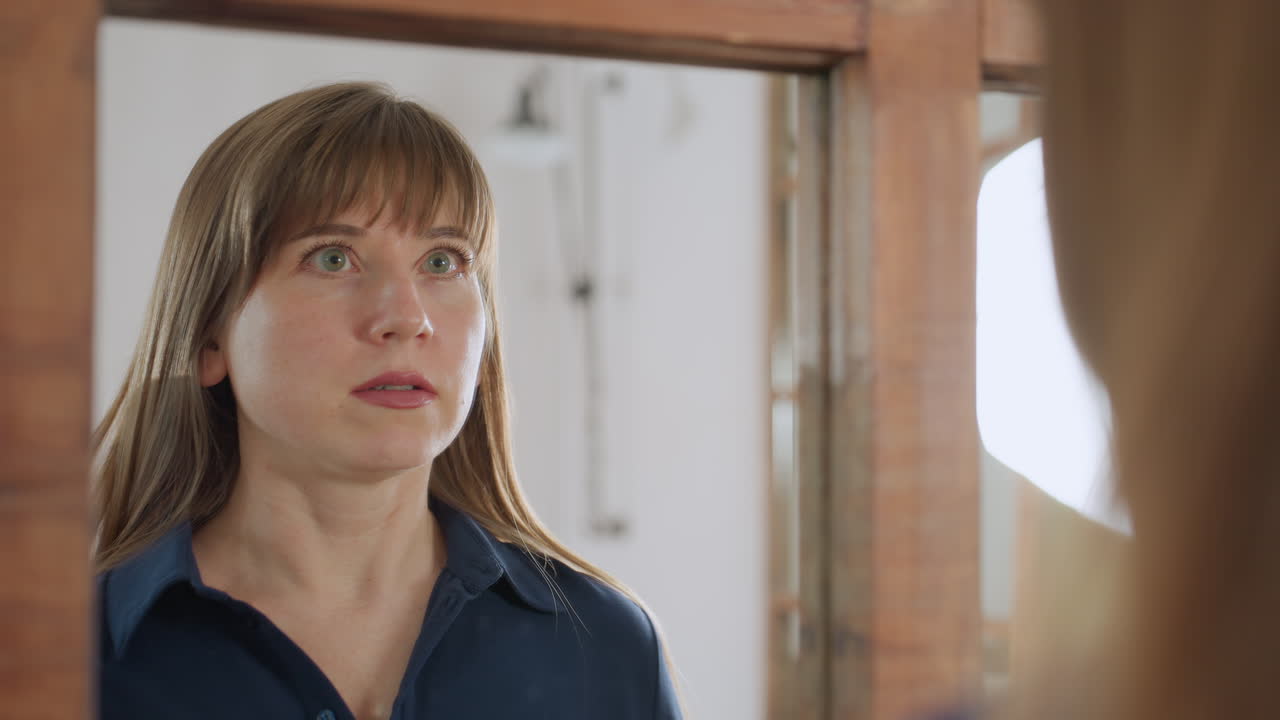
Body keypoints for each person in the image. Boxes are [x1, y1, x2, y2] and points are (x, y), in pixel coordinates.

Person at [92, 81, 682, 720]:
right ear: (211, 338)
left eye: (442, 262)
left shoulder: (607, 648)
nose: (407, 317)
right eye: (332, 257)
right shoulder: (67, 656)